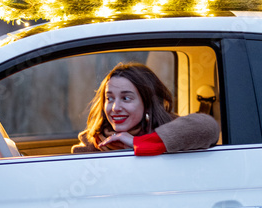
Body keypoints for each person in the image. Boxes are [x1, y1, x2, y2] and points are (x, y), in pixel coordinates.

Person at [71, 62, 219, 155]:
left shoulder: (170, 130)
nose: (115, 108)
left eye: (126, 98)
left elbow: (208, 126)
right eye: (109, 98)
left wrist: (139, 143)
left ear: (147, 103)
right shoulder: (91, 147)